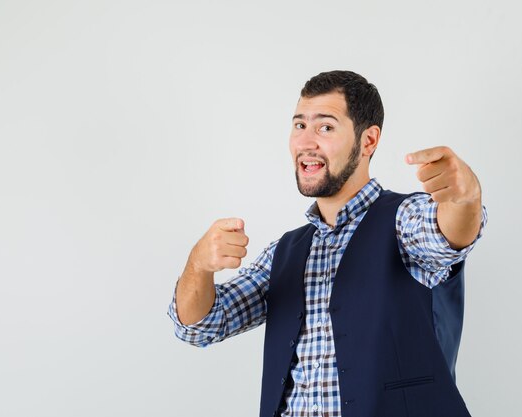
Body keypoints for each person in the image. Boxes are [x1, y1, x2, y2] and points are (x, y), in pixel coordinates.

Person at [167, 70, 488, 417]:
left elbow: (448, 236)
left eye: (325, 127)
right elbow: (200, 327)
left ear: (368, 141)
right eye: (299, 125)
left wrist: (465, 197)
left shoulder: (403, 220)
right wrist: (198, 265)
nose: (306, 142)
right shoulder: (285, 251)